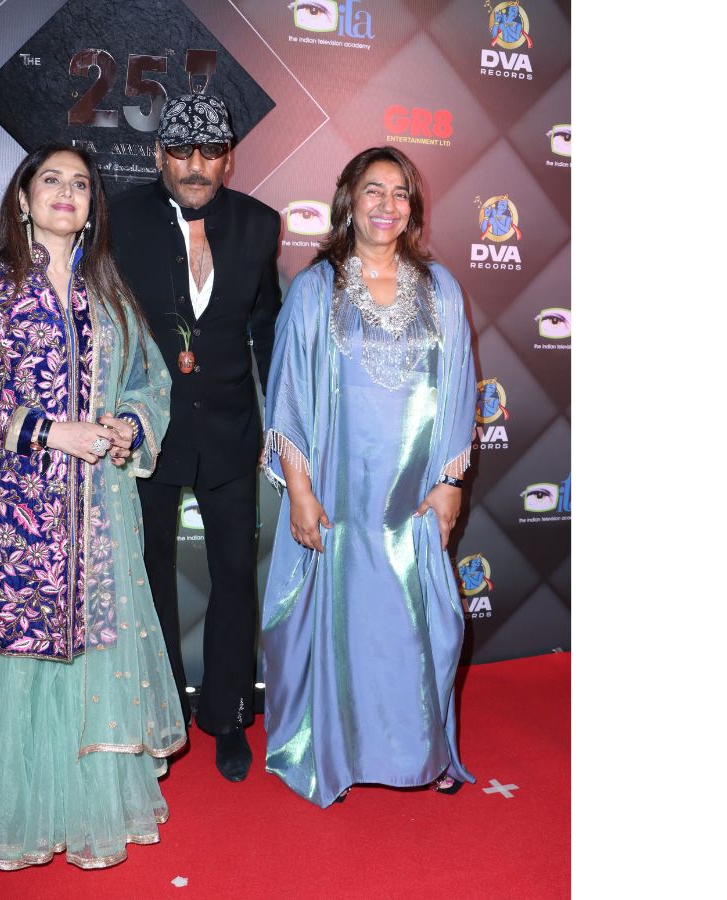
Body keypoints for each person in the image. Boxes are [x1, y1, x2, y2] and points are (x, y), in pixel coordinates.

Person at [0, 143, 186, 869]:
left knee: (91, 656)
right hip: (12, 515)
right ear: (23, 198)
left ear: (92, 207)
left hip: (98, 519)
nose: (67, 192)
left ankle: (82, 808)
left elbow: (149, 382)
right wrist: (49, 431)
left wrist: (126, 427)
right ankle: (18, 815)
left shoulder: (107, 292)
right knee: (19, 655)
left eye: (81, 184)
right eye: (51, 180)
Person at [259, 146, 477, 808]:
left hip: (413, 494)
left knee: (416, 623)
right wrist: (300, 492)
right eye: (374, 190)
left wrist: (450, 482)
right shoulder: (315, 289)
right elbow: (288, 396)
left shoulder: (440, 289)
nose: (387, 205)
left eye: (400, 193)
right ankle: (339, 753)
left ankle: (421, 750)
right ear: (349, 201)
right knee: (345, 625)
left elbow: (459, 386)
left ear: (414, 207)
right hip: (340, 494)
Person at [108, 93, 281, 782]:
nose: (195, 166)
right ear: (159, 154)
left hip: (233, 429)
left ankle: (227, 716)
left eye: (210, 152)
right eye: (181, 151)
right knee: (150, 576)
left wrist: (279, 423)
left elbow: (266, 329)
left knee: (236, 576)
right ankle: (161, 718)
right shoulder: (118, 218)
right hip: (146, 430)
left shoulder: (259, 224)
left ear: (228, 158)